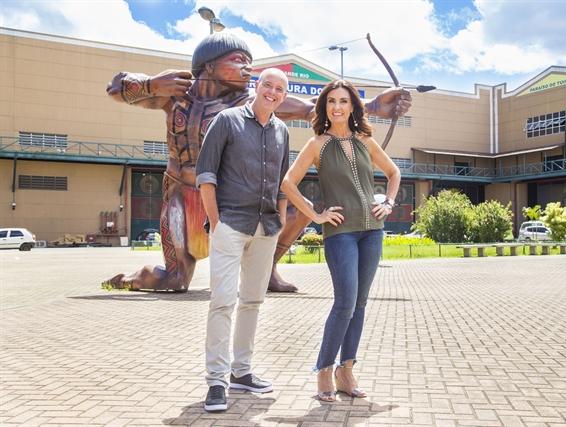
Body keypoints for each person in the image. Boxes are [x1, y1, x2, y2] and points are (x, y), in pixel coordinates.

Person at [105, 31, 412, 293]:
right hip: (181, 198)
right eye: (237, 60)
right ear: (209, 65)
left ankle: (265, 273)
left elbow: (309, 109)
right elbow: (115, 88)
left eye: (248, 62)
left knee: (302, 209)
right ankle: (133, 278)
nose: (246, 67)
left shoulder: (248, 105)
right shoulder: (175, 93)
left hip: (230, 201)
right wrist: (149, 86)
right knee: (174, 280)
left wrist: (370, 105)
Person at [281, 79, 401, 402]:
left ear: (352, 107)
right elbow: (288, 183)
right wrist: (315, 215)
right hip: (340, 233)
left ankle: (346, 370)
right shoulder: (316, 144)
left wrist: (388, 203)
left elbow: (394, 173)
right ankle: (324, 370)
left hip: (372, 232)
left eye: (343, 101)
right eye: (331, 101)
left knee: (360, 304)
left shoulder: (366, 140)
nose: (337, 107)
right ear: (325, 107)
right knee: (345, 302)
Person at [196, 68, 290, 412]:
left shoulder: (281, 130)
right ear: (257, 86)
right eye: (268, 84)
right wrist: (216, 223)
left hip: (266, 228)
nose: (273, 92)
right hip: (230, 225)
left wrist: (279, 220)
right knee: (222, 301)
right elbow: (206, 175)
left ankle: (242, 371)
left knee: (252, 301)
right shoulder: (227, 120)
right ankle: (217, 380)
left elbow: (283, 180)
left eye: (280, 88)